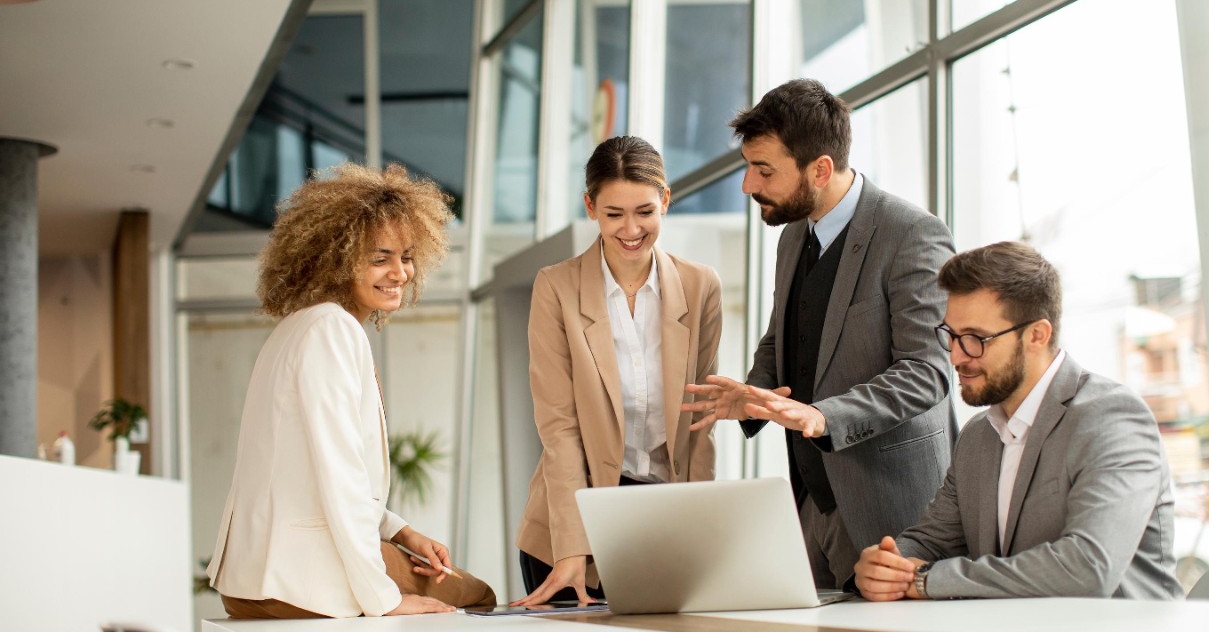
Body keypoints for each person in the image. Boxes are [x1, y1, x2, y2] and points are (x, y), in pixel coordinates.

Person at [684, 78, 956, 590]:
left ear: (821, 169)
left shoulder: (912, 234)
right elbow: (782, 336)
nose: (748, 185)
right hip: (811, 501)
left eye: (764, 171)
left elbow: (928, 371)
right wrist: (752, 393)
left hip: (894, 510)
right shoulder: (793, 236)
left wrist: (822, 415)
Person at [206, 163, 496, 619]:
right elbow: (339, 475)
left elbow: (309, 473)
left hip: (251, 579)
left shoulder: (299, 327)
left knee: (447, 578)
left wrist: (401, 533)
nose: (399, 272)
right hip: (299, 581)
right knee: (476, 593)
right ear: (336, 259)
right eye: (380, 258)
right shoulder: (331, 330)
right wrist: (385, 600)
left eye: (406, 256)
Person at [853, 241, 1180, 601]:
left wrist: (925, 580)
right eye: (951, 335)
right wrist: (886, 564)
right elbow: (932, 539)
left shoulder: (1113, 419)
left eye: (976, 338)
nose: (957, 356)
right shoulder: (979, 435)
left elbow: (1088, 568)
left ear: (1037, 335)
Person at [513, 136, 723, 606]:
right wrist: (572, 547)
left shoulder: (700, 285)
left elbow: (700, 420)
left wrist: (701, 533)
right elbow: (559, 427)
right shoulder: (556, 288)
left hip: (663, 519)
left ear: (665, 201)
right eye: (614, 214)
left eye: (645, 212)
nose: (631, 229)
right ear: (590, 207)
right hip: (573, 524)